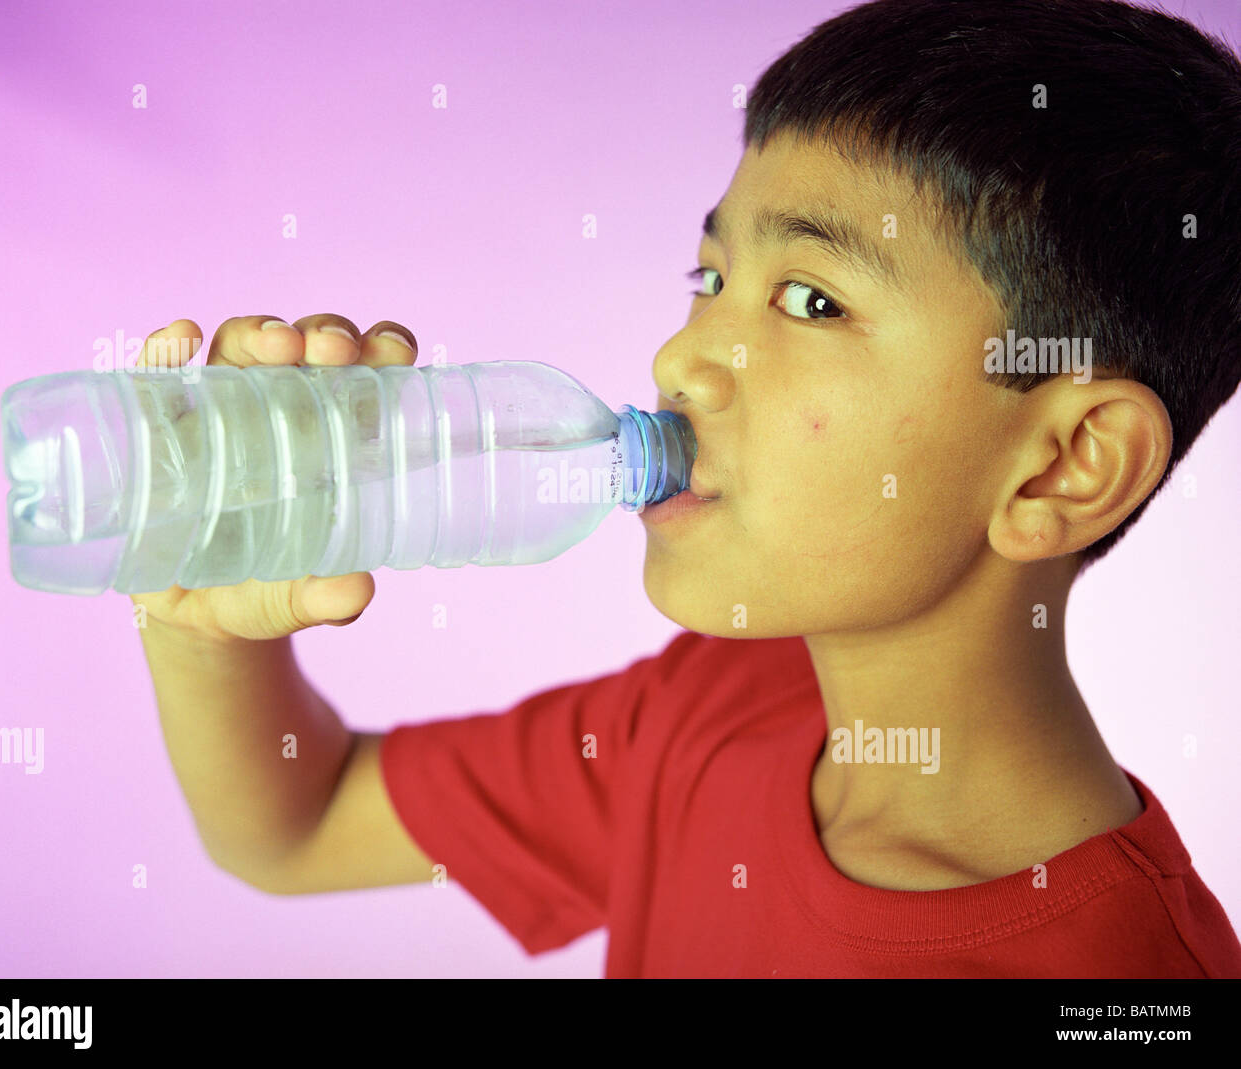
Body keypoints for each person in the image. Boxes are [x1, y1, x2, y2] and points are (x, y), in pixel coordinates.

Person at [133, 0, 1241, 977]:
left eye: (809, 300)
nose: (681, 359)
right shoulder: (710, 709)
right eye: (710, 278)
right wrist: (203, 610)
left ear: (1063, 463)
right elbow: (299, 820)